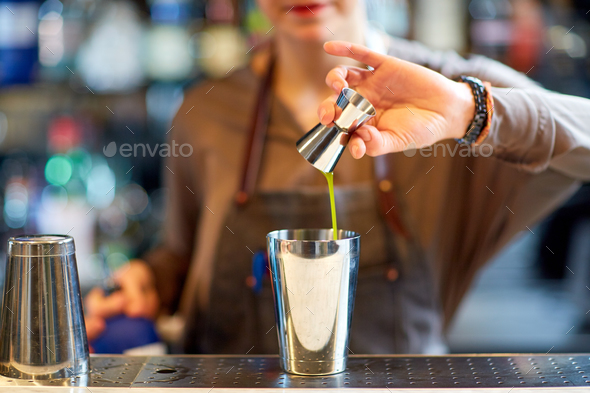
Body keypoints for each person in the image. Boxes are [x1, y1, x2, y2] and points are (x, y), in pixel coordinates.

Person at [85, 0, 590, 354]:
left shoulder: (452, 90)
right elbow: (183, 254)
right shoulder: (205, 111)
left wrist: (471, 111)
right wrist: (151, 280)